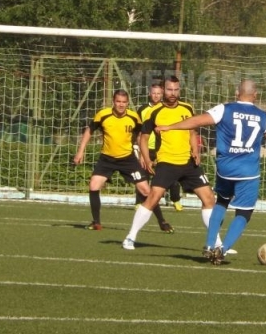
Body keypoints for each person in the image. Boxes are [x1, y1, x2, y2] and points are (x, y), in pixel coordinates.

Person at [157, 79, 266, 265]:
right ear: (255, 95)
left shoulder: (224, 109)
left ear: (237, 93)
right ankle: (223, 249)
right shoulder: (263, 116)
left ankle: (209, 244)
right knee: (244, 213)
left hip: (225, 169)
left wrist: (169, 127)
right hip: (248, 172)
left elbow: (197, 121)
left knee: (221, 202)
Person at [122, 76, 216, 250]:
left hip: (188, 162)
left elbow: (192, 132)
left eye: (176, 90)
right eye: (169, 90)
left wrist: (195, 150)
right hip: (166, 162)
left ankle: (216, 243)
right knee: (153, 198)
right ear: (164, 90)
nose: (173, 93)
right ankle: (130, 237)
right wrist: (146, 158)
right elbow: (143, 138)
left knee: (209, 198)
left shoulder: (187, 108)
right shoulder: (154, 112)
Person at [73, 89, 172, 233]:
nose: (121, 104)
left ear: (127, 103)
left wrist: (142, 156)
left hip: (128, 159)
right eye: (118, 101)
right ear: (113, 102)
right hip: (106, 159)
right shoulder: (103, 115)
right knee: (94, 185)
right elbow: (89, 131)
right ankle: (96, 222)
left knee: (145, 190)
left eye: (124, 102)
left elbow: (140, 136)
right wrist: (80, 151)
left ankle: (162, 222)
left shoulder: (133, 117)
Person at [138, 81, 183, 211]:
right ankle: (140, 201)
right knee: (143, 176)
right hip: (147, 148)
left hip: (162, 148)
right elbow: (140, 132)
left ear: (162, 94)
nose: (156, 96)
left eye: (159, 93)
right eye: (154, 93)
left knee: (171, 174)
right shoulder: (143, 110)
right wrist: (141, 153)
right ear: (149, 94)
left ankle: (176, 200)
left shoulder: (169, 109)